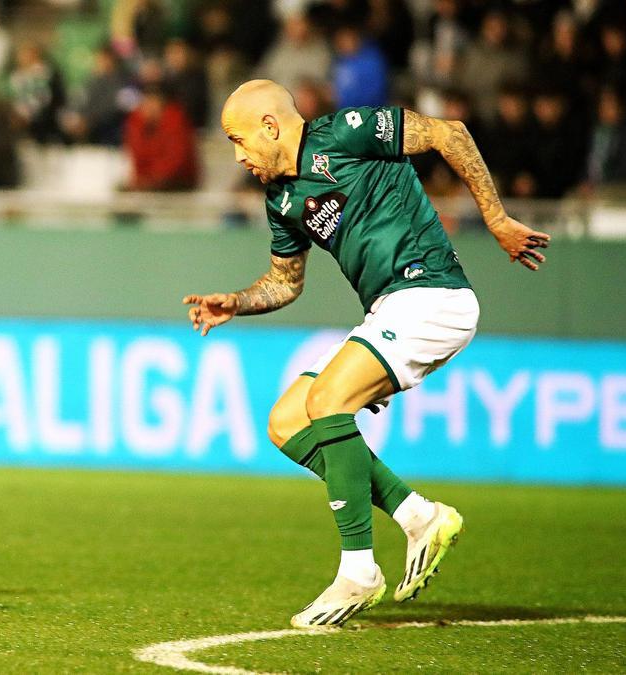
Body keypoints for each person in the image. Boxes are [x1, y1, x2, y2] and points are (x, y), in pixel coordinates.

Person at [183, 80, 549, 628]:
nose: (238, 156)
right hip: (388, 311)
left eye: (239, 140)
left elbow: (450, 134)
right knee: (285, 421)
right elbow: (286, 282)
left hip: (432, 294)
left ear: (270, 125)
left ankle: (358, 571)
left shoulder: (349, 132)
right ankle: (418, 516)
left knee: (329, 399)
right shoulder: (281, 199)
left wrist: (495, 218)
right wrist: (236, 302)